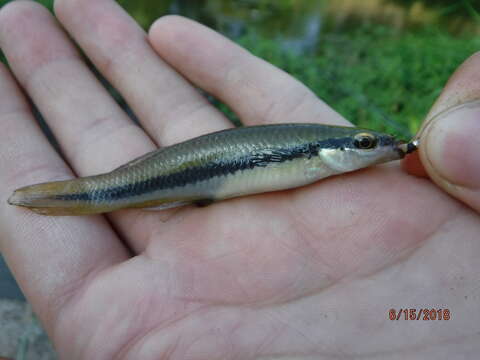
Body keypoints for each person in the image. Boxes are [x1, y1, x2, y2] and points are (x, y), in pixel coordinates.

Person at [0, 1, 478, 359]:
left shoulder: (326, 157)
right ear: (331, 152)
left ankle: (91, 194)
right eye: (367, 144)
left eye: (370, 144)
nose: (380, 149)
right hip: (182, 174)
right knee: (109, 189)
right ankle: (89, 195)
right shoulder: (319, 153)